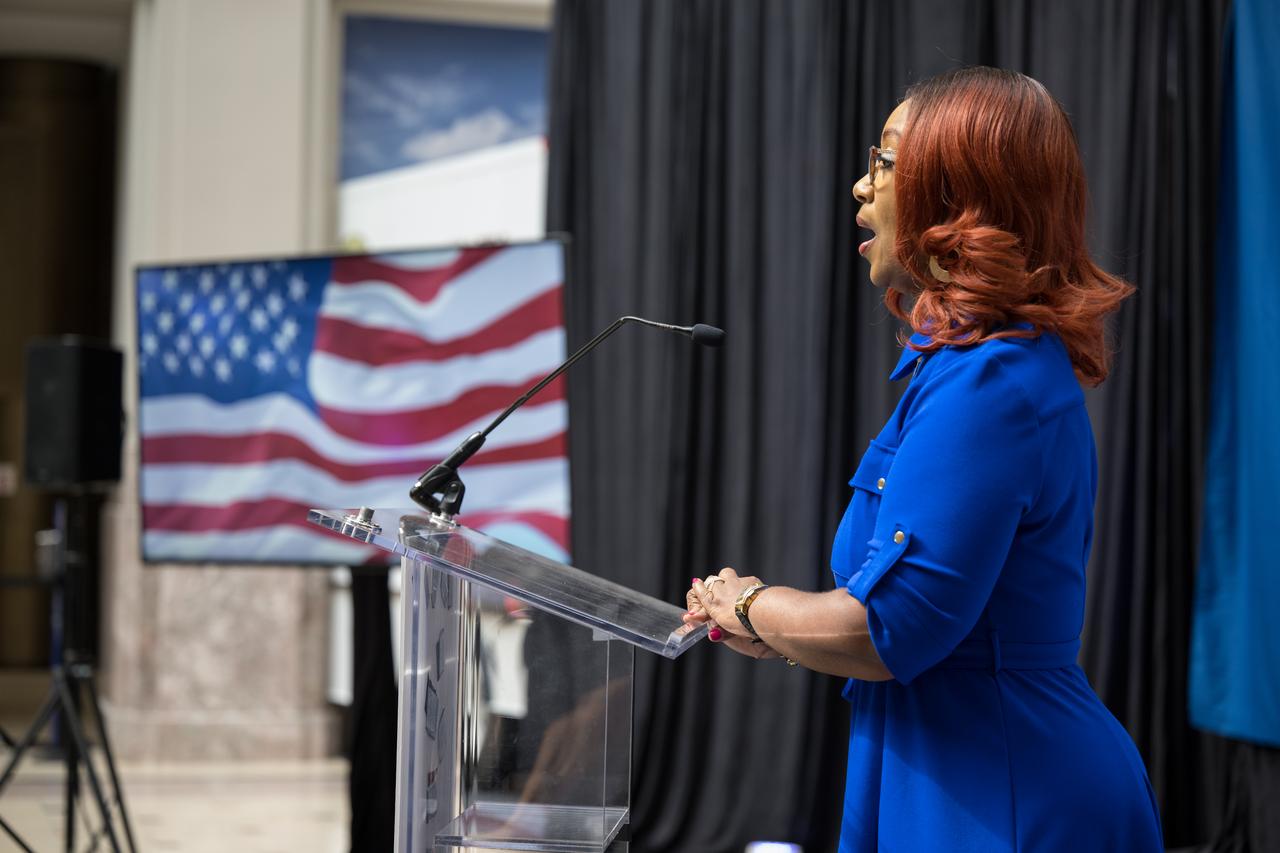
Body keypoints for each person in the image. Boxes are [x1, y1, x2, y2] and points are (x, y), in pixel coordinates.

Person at [684, 67, 1163, 852]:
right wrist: (781, 627)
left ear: (957, 191)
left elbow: (887, 628)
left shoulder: (992, 383)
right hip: (950, 775)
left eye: (884, 162)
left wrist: (749, 603)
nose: (858, 187)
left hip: (1003, 797)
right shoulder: (965, 368)